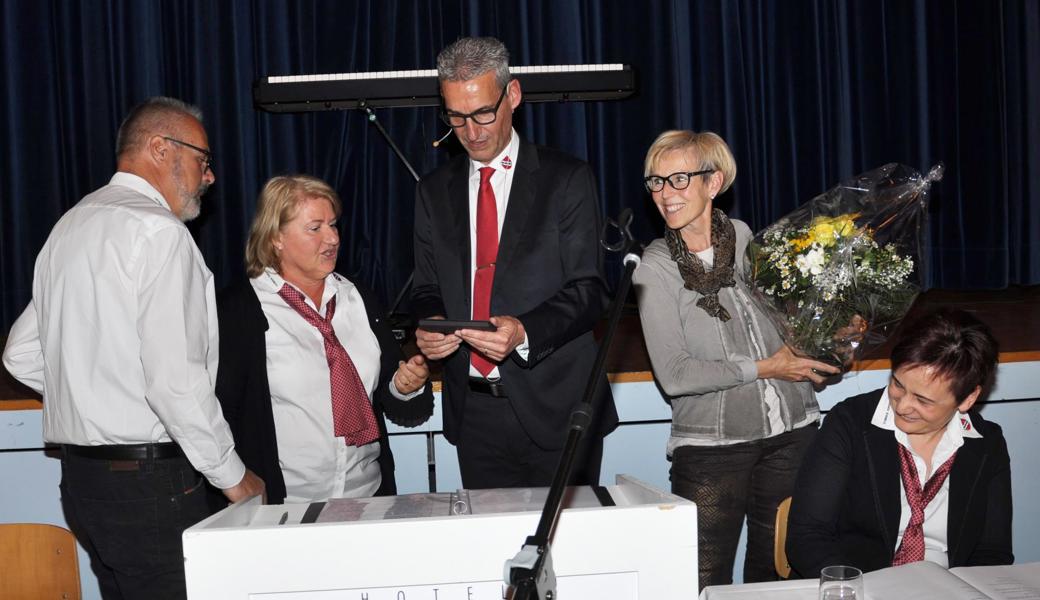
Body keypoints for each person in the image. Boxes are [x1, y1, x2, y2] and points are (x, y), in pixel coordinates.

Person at [1, 96, 264, 599]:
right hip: (150, 485)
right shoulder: (160, 234)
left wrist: (97, 390)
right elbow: (175, 384)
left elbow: (20, 353)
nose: (209, 177)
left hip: (82, 485)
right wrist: (234, 477)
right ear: (160, 148)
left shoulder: (70, 227)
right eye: (202, 160)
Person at [631, 129, 840, 590]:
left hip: (792, 432)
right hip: (712, 450)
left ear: (714, 181)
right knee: (705, 580)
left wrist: (818, 347)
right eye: (656, 182)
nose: (665, 194)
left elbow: (780, 323)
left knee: (779, 577)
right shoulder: (655, 266)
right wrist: (768, 368)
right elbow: (675, 375)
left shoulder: (744, 237)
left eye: (679, 179)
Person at [411, 36, 618, 489]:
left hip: (559, 410)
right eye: (456, 117)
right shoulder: (432, 192)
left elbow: (590, 291)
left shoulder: (566, 179)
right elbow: (426, 286)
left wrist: (524, 331)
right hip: (475, 415)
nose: (472, 131)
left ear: (514, 95)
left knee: (565, 557)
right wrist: (431, 326)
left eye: (484, 112)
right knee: (488, 557)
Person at [214, 175, 434, 504]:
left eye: (333, 225)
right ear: (276, 238)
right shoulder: (239, 310)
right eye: (314, 228)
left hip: (368, 497)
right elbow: (219, 412)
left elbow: (396, 396)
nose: (332, 238)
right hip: (284, 508)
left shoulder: (359, 298)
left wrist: (405, 387)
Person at [786, 309, 1013, 577]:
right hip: (861, 587)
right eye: (898, 384)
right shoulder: (851, 423)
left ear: (968, 398)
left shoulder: (986, 444)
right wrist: (857, 592)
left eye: (923, 400)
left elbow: (992, 553)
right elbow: (808, 536)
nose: (903, 406)